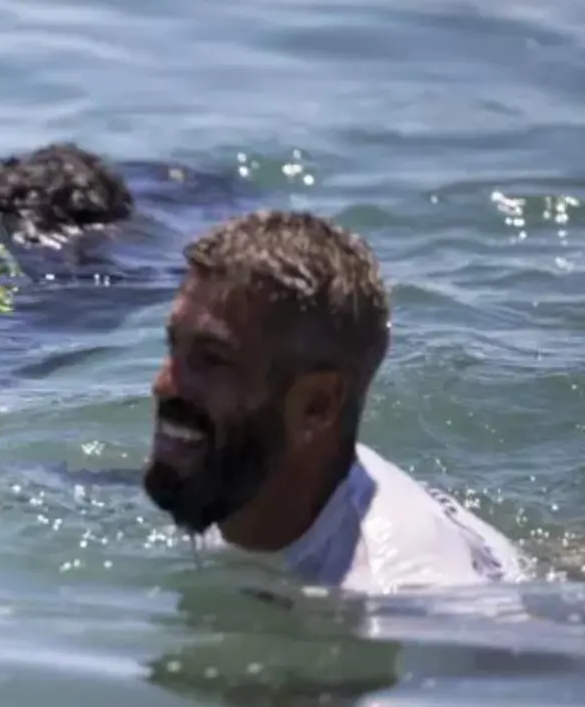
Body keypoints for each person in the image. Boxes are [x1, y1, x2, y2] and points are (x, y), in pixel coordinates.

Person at [142, 210, 529, 593]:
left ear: (317, 405)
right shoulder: (232, 473)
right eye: (174, 345)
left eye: (214, 359)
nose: (163, 385)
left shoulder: (399, 596)